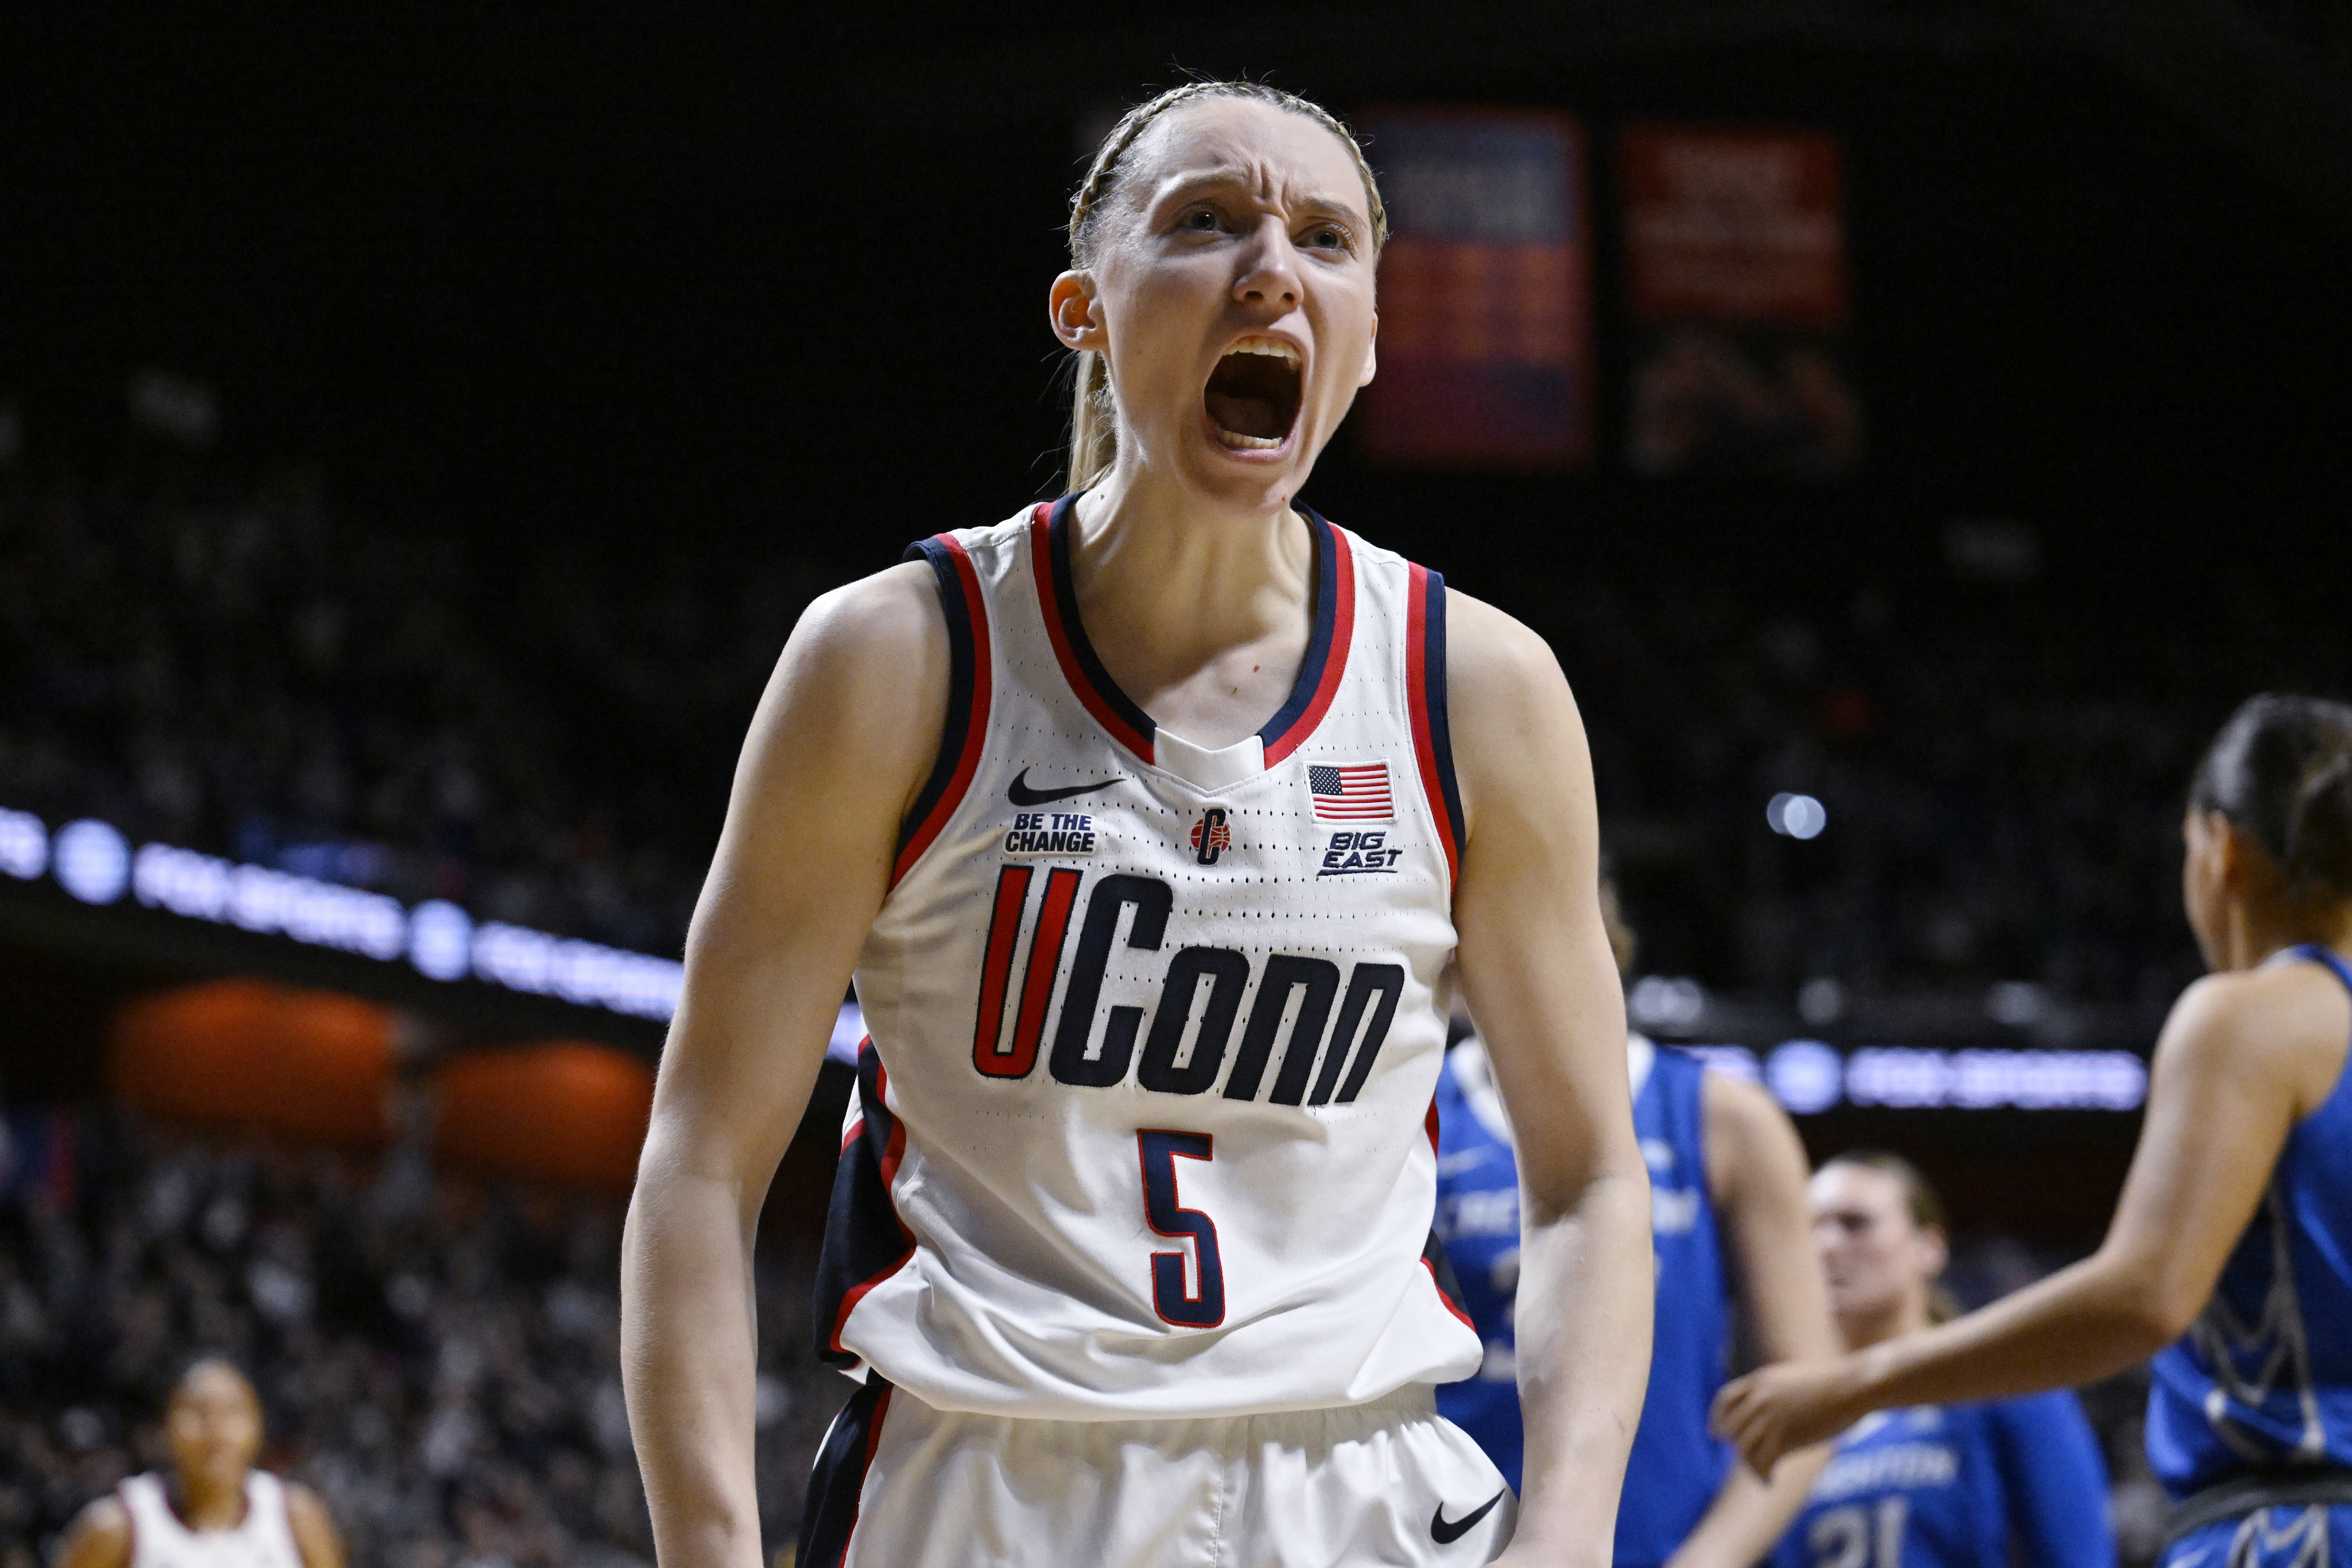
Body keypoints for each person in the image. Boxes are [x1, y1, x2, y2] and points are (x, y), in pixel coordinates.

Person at [622, 79, 1654, 1568]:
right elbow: (701, 1160)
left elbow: (1590, 1181)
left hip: (1358, 1491)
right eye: (1208, 221)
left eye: (1326, 239)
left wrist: (1567, 1542)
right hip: (988, 1490)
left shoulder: (1475, 688)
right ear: (1084, 307)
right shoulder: (899, 659)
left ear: (1366, 345)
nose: (1272, 268)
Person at [1714, 693, 2352, 1566]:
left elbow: (2144, 1297)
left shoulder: (2248, 1017)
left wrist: (1854, 1385)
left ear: (2220, 848)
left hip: (2293, 1530)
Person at [1436, 878, 1838, 1565]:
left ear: (1602, 939)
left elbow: (1807, 1393)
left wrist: (1705, 1561)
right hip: (1446, 1540)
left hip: (1663, 1545)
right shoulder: (1416, 1109)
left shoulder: (1725, 1119)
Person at [1771, 1153, 2113, 1568]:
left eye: (1855, 1223)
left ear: (1928, 1248)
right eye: (1811, 1229)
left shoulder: (2003, 1383)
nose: (1826, 1246)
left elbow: (2079, 1555)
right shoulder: (1787, 1419)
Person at [54, 1358, 345, 1568]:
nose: (215, 1430)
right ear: (165, 1427)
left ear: (258, 1428)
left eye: (232, 1412)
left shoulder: (297, 1518)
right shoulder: (116, 1527)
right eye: (198, 1411)